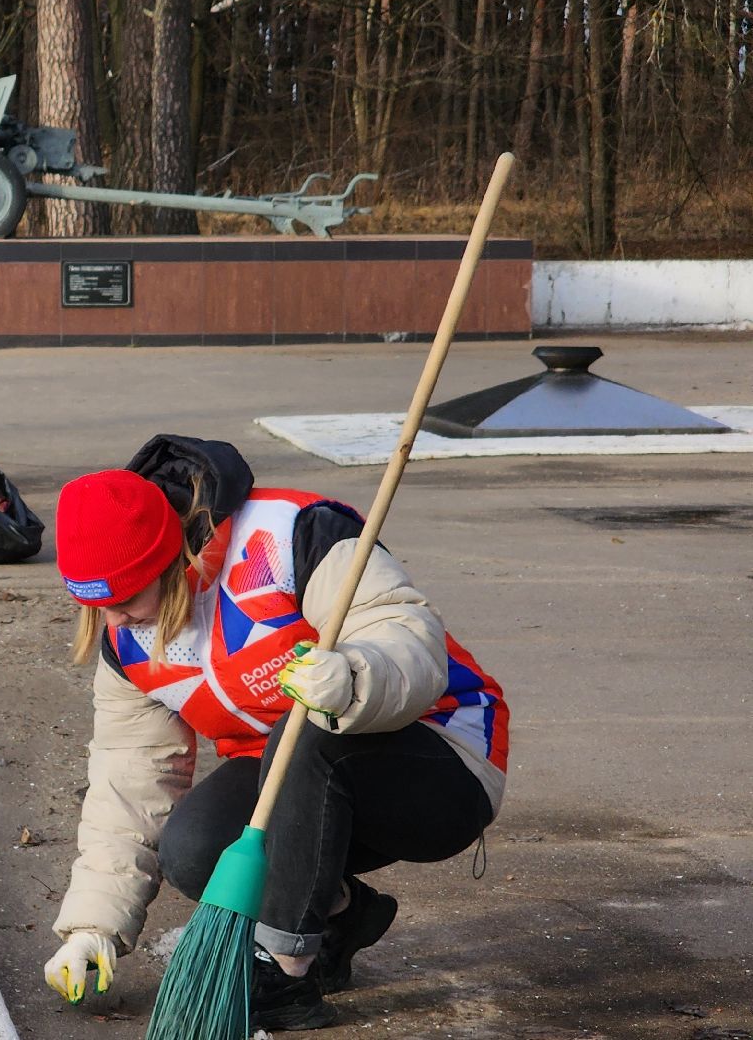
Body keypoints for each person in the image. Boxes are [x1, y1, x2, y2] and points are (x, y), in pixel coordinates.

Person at [41, 434, 508, 1031]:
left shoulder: (293, 535)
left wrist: (352, 675)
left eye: (126, 598)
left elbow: (404, 632)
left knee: (307, 729)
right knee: (193, 851)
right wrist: (93, 927)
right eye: (94, 605)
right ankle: (340, 918)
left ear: (170, 562)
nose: (115, 620)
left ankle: (284, 973)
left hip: (437, 755)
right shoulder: (124, 642)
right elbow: (130, 783)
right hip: (292, 782)